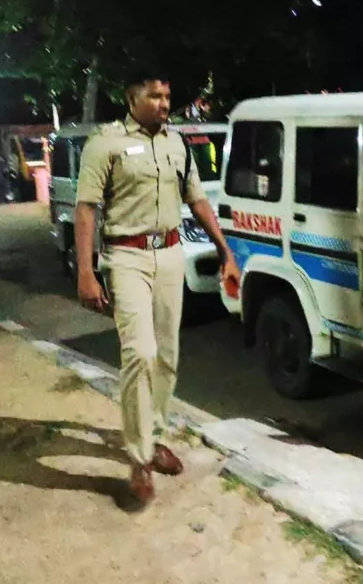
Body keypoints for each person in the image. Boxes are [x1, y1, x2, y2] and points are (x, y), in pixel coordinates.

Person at [74, 69, 239, 509]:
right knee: (140, 352)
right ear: (132, 98)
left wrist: (225, 251)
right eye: (154, 96)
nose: (164, 103)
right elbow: (86, 208)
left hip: (169, 255)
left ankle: (157, 433)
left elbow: (197, 199)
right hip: (125, 257)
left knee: (167, 355)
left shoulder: (176, 143)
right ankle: (139, 456)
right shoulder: (104, 143)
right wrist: (86, 272)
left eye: (167, 96)